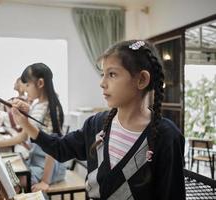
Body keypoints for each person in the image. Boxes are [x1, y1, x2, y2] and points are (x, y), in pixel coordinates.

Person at [11, 40, 186, 199]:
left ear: (141, 80)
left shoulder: (167, 136)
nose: (102, 83)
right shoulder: (97, 124)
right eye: (103, 74)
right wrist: (25, 124)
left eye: (112, 74)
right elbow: (61, 148)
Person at [6, 63, 66, 192]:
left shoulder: (52, 108)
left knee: (18, 182)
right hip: (36, 161)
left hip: (50, 167)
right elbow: (26, 134)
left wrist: (45, 181)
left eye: (27, 85)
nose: (25, 89)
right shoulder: (37, 105)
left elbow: (53, 147)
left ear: (40, 83)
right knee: (10, 174)